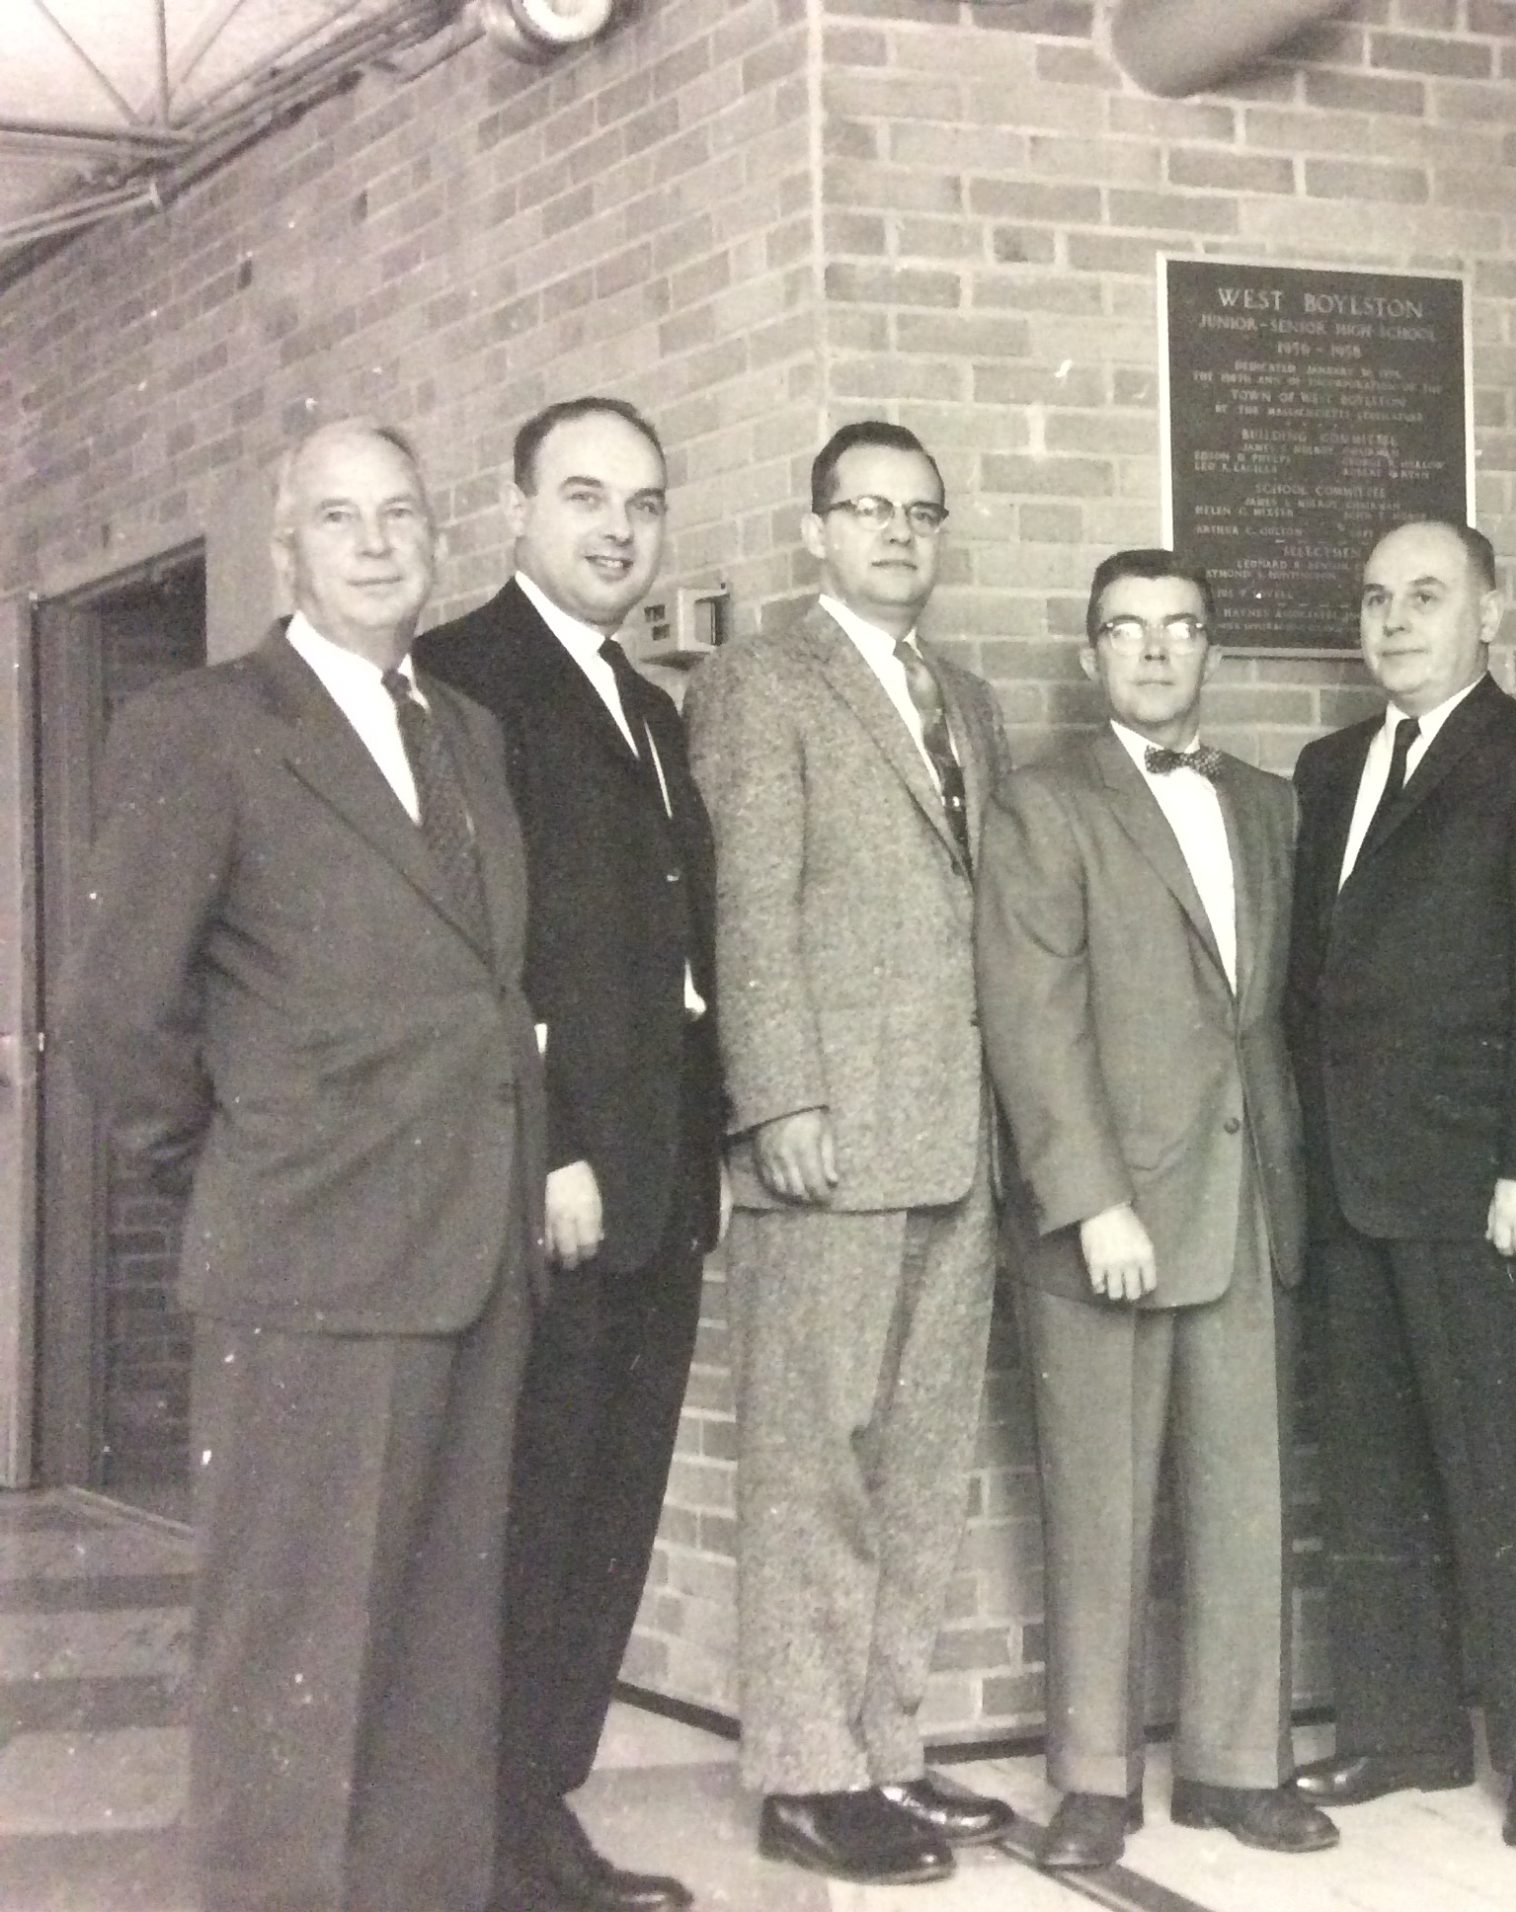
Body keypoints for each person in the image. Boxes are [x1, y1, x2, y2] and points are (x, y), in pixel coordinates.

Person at [66, 419, 544, 1912]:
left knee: (436, 1658)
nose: (379, 543)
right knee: (290, 1661)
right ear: (289, 553)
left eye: (401, 513)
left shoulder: (466, 733)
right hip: (305, 1267)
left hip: (471, 1259)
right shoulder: (203, 726)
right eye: (340, 520)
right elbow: (111, 1013)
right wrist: (223, 1177)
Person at [687, 420, 1015, 1886]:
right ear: (817, 530)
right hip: (829, 1136)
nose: (896, 533)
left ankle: (888, 1749)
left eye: (919, 513)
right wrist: (779, 1101)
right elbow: (747, 906)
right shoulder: (763, 679)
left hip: (956, 1138)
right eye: (867, 510)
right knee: (816, 1466)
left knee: (925, 1468)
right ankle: (808, 1774)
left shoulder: (969, 698)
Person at [976, 549, 1336, 1872]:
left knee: (1246, 1491)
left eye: (1181, 630)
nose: (1155, 653)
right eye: (1126, 632)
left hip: (1248, 1199)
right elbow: (1031, 1021)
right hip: (1111, 1219)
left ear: (1210, 652)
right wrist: (1090, 1203)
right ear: (1090, 656)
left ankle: (1241, 1765)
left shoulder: (1270, 803)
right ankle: (1093, 1778)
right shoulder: (1043, 805)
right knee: (1099, 1497)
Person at [414, 397, 720, 1912]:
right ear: (515, 507)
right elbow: (485, 951)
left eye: (644, 503)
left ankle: (539, 1815)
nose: (618, 528)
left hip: (660, 1189)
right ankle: (488, 1836)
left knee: (609, 1518)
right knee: (529, 1520)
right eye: (586, 496)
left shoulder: (649, 706)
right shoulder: (469, 677)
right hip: (566, 1185)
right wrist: (556, 1156)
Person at [1285, 518, 1516, 1850]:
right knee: (1376, 1472)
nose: (1394, 620)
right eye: (1375, 598)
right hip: (1358, 1191)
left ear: (1490, 615)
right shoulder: (1330, 770)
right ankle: (1400, 1730)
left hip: (1491, 1191)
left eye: (1427, 596)